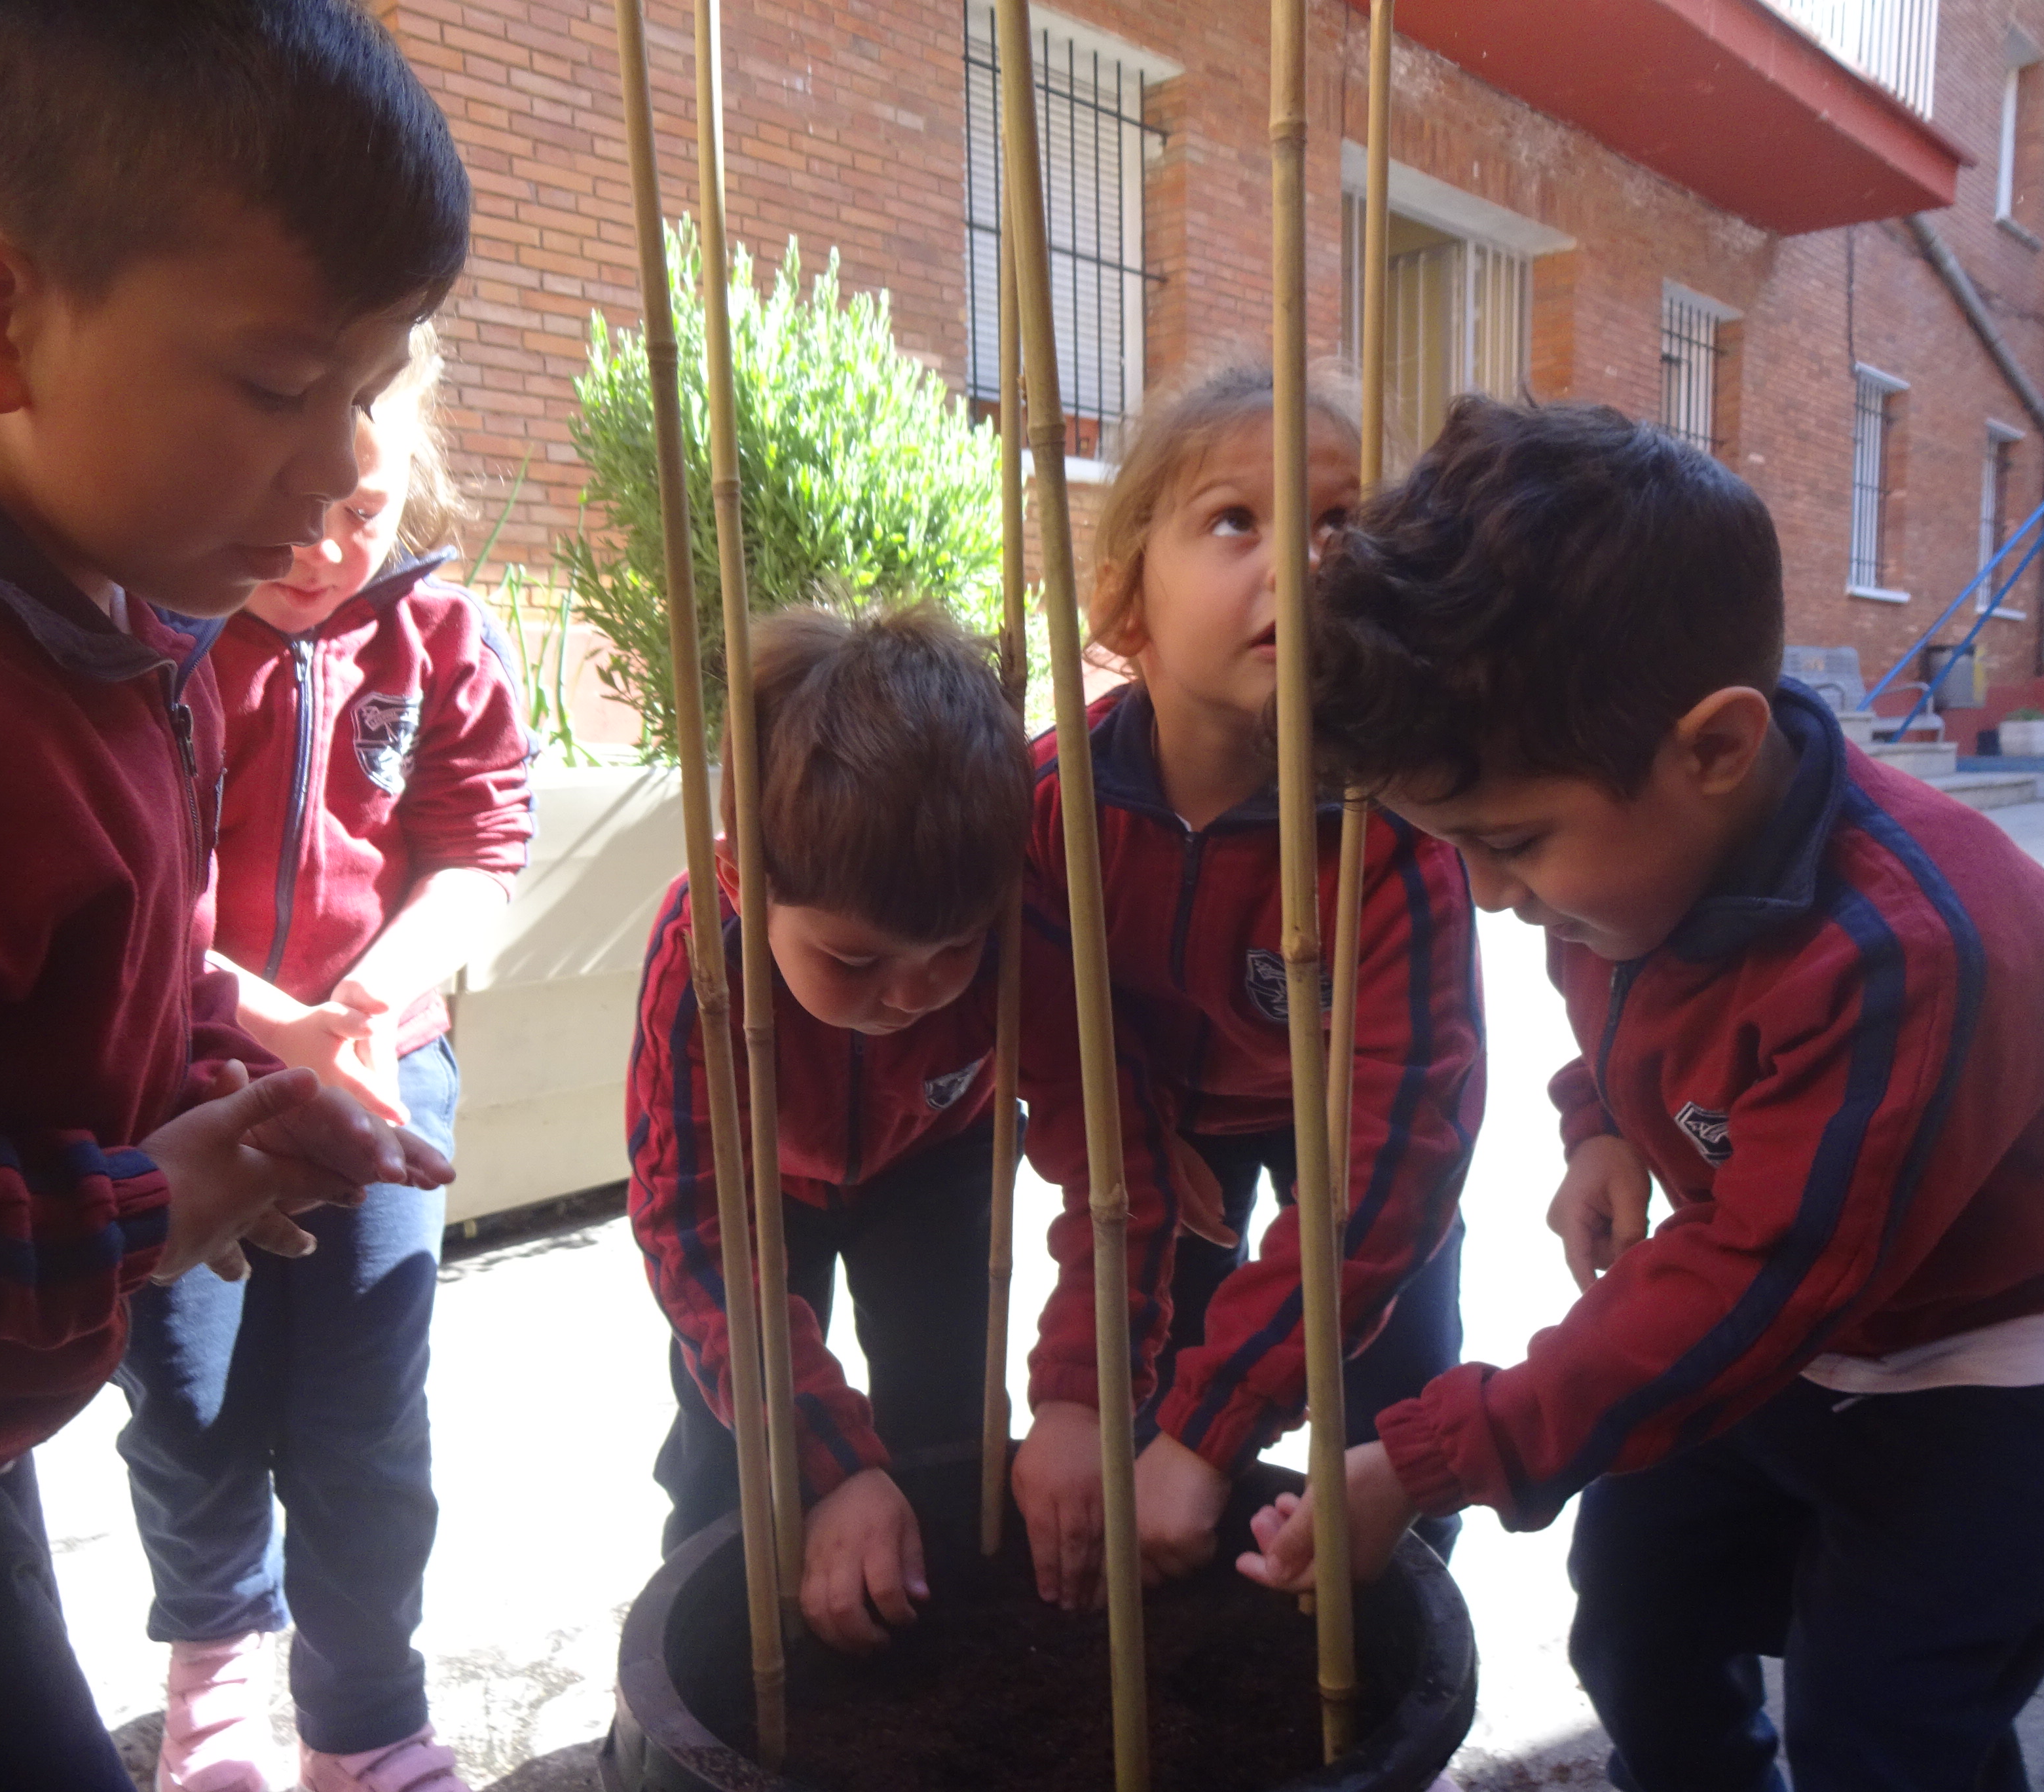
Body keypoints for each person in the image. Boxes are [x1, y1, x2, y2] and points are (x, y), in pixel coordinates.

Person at [1244, 395, 2044, 1791]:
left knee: (1888, 1724)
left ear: (1719, 748)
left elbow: (1751, 1284)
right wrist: (1603, 1124)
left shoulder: (1913, 955)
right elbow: (1625, 1008)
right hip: (1803, 1296)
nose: (1490, 897)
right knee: (1638, 1618)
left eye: (1512, 845)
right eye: (1458, 849)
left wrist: (1430, 1457)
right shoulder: (1634, 860)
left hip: (2017, 1346)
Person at [0, 3, 469, 1787]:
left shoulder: (103, 608)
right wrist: (147, 1209)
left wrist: (211, 1073)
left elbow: (37, 993)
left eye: (371, 389)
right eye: (281, 386)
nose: (345, 469)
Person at [117, 327, 531, 1792]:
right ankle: (215, 1666)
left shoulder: (444, 637)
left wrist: (363, 1002)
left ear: (404, 473)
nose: (323, 548)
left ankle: (365, 1719)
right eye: (297, 507)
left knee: (367, 1423)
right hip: (183, 1076)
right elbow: (137, 891)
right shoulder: (154, 640)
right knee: (190, 1407)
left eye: (363, 510)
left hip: (379, 1069)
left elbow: (481, 846)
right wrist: (266, 1024)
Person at [1011, 364, 1485, 1612]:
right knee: (1167, 1408)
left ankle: (1384, 1626)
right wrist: (1145, 1414)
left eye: (1340, 525)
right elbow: (1066, 1089)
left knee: (1394, 1382)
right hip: (1161, 1134)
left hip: (1351, 1137)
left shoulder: (1393, 824)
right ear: (1126, 600)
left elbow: (1399, 1157)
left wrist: (1214, 1422)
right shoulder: (1053, 808)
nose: (1306, 564)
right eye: (1236, 519)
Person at [630, 605, 1030, 1653]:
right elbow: (687, 1226)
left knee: (948, 1421)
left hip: (939, 1165)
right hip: (758, 1192)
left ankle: (932, 1626)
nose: (913, 994)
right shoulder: (700, 963)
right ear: (740, 881)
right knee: (732, 1453)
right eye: (854, 961)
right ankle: (726, 1645)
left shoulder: (1016, 926)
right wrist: (835, 1465)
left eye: (955, 951)